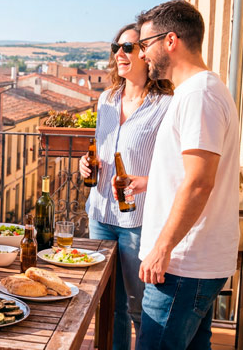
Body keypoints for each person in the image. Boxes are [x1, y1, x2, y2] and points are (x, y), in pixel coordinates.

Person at [134, 0, 240, 349]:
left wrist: (162, 248)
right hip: (188, 264)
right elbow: (190, 174)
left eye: (145, 44)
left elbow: (199, 183)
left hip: (181, 267)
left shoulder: (200, 95)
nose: (142, 54)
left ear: (171, 40)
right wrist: (152, 184)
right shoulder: (197, 91)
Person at [78, 23, 173, 350]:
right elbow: (99, 148)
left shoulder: (165, 105)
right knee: (108, 305)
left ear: (146, 54)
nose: (120, 53)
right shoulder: (106, 99)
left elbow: (173, 166)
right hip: (100, 215)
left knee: (138, 306)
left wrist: (145, 182)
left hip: (137, 221)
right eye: (116, 47)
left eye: (128, 47)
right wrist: (86, 163)